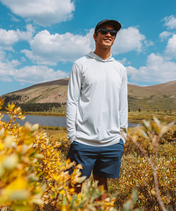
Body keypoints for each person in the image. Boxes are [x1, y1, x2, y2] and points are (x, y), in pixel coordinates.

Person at [66, 19, 128, 199]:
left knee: (102, 187)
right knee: (74, 186)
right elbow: (72, 101)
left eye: (113, 33)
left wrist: (122, 136)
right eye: (104, 31)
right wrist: (72, 136)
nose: (108, 34)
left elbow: (122, 105)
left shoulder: (120, 69)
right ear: (95, 36)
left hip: (111, 142)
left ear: (115, 38)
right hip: (83, 141)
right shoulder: (81, 64)